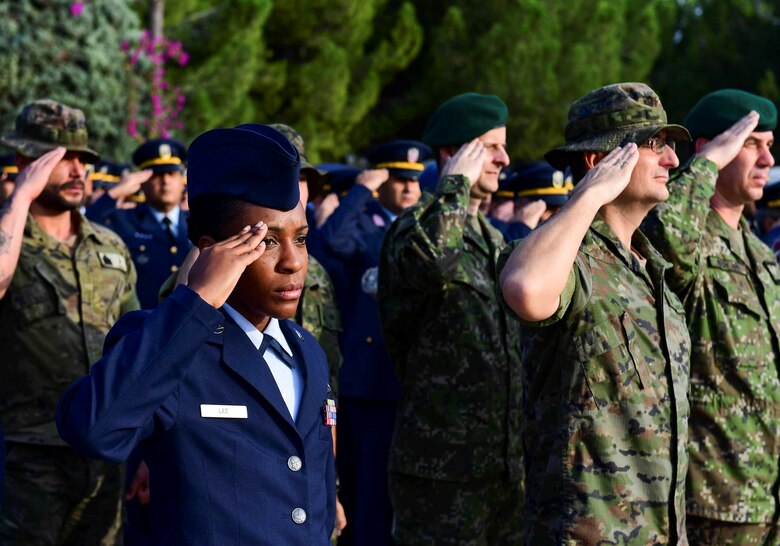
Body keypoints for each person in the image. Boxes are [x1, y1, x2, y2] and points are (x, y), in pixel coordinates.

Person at [56, 123, 336, 545]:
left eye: (300, 238)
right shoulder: (170, 344)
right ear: (212, 251)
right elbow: (94, 430)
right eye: (268, 243)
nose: (294, 262)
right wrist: (197, 300)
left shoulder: (304, 350)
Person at [498, 82, 701, 545]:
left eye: (670, 146)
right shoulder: (566, 259)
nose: (671, 160)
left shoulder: (652, 269)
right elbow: (526, 289)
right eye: (655, 145)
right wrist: (588, 197)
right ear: (598, 161)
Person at [378, 93, 523, 545]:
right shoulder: (416, 228)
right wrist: (453, 185)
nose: (505, 158)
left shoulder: (494, 238)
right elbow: (435, 261)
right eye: (490, 147)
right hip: (442, 469)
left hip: (503, 468)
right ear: (453, 154)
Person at [642, 89, 780, 545]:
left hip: (768, 493)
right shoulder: (689, 238)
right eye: (750, 144)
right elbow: (662, 231)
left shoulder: (760, 255)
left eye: (769, 145)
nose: (766, 159)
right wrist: (705, 164)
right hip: (717, 499)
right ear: (712, 150)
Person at [0, 99, 138, 545]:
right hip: (28, 455)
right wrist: (20, 195)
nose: (79, 170)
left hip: (106, 455)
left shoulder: (111, 246)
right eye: (63, 159)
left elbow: (138, 348)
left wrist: (149, 448)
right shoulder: (9, 237)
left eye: (85, 159)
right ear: (27, 161)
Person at [319, 139, 431, 546]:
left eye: (415, 181)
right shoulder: (363, 224)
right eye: (399, 179)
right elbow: (331, 242)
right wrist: (362, 190)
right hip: (370, 382)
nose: (408, 188)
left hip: (415, 378)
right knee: (366, 495)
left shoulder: (423, 225)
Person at [92, 139, 190, 309]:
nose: (165, 181)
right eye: (157, 175)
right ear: (142, 181)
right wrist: (113, 194)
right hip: (142, 326)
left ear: (182, 179)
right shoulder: (123, 221)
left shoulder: (199, 221)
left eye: (171, 173)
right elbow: (85, 227)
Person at [489, 162, 572, 241]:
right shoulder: (494, 231)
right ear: (519, 203)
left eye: (559, 209)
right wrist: (521, 230)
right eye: (546, 207)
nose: (552, 216)